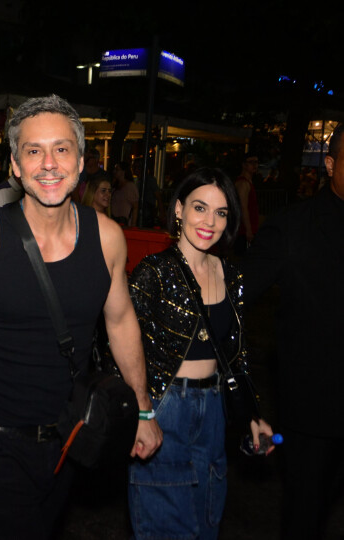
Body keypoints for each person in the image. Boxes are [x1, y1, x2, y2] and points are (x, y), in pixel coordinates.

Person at [0, 94, 162, 540]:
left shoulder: (107, 238)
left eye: (61, 149)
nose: (48, 163)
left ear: (82, 160)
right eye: (33, 151)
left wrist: (144, 410)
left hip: (70, 431)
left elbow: (121, 321)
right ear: (15, 164)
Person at [125, 167, 273, 539]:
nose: (210, 222)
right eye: (200, 208)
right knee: (163, 521)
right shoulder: (153, 272)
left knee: (207, 520)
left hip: (214, 410)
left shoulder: (230, 275)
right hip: (166, 406)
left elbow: (235, 354)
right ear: (179, 210)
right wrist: (142, 412)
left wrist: (251, 414)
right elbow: (123, 350)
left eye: (221, 213)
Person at [241, 124, 344, 540]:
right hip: (314, 415)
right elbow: (232, 296)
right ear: (331, 164)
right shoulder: (292, 227)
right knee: (306, 521)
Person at [234, 152, 259, 255]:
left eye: (256, 162)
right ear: (244, 165)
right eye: (251, 162)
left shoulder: (247, 182)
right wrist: (248, 230)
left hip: (248, 229)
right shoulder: (243, 183)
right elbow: (243, 207)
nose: (255, 165)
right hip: (243, 231)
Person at [111, 161, 139, 226]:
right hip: (114, 220)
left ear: (123, 171)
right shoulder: (115, 186)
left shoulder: (130, 186)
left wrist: (133, 225)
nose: (114, 171)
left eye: (117, 170)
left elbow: (135, 207)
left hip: (124, 221)